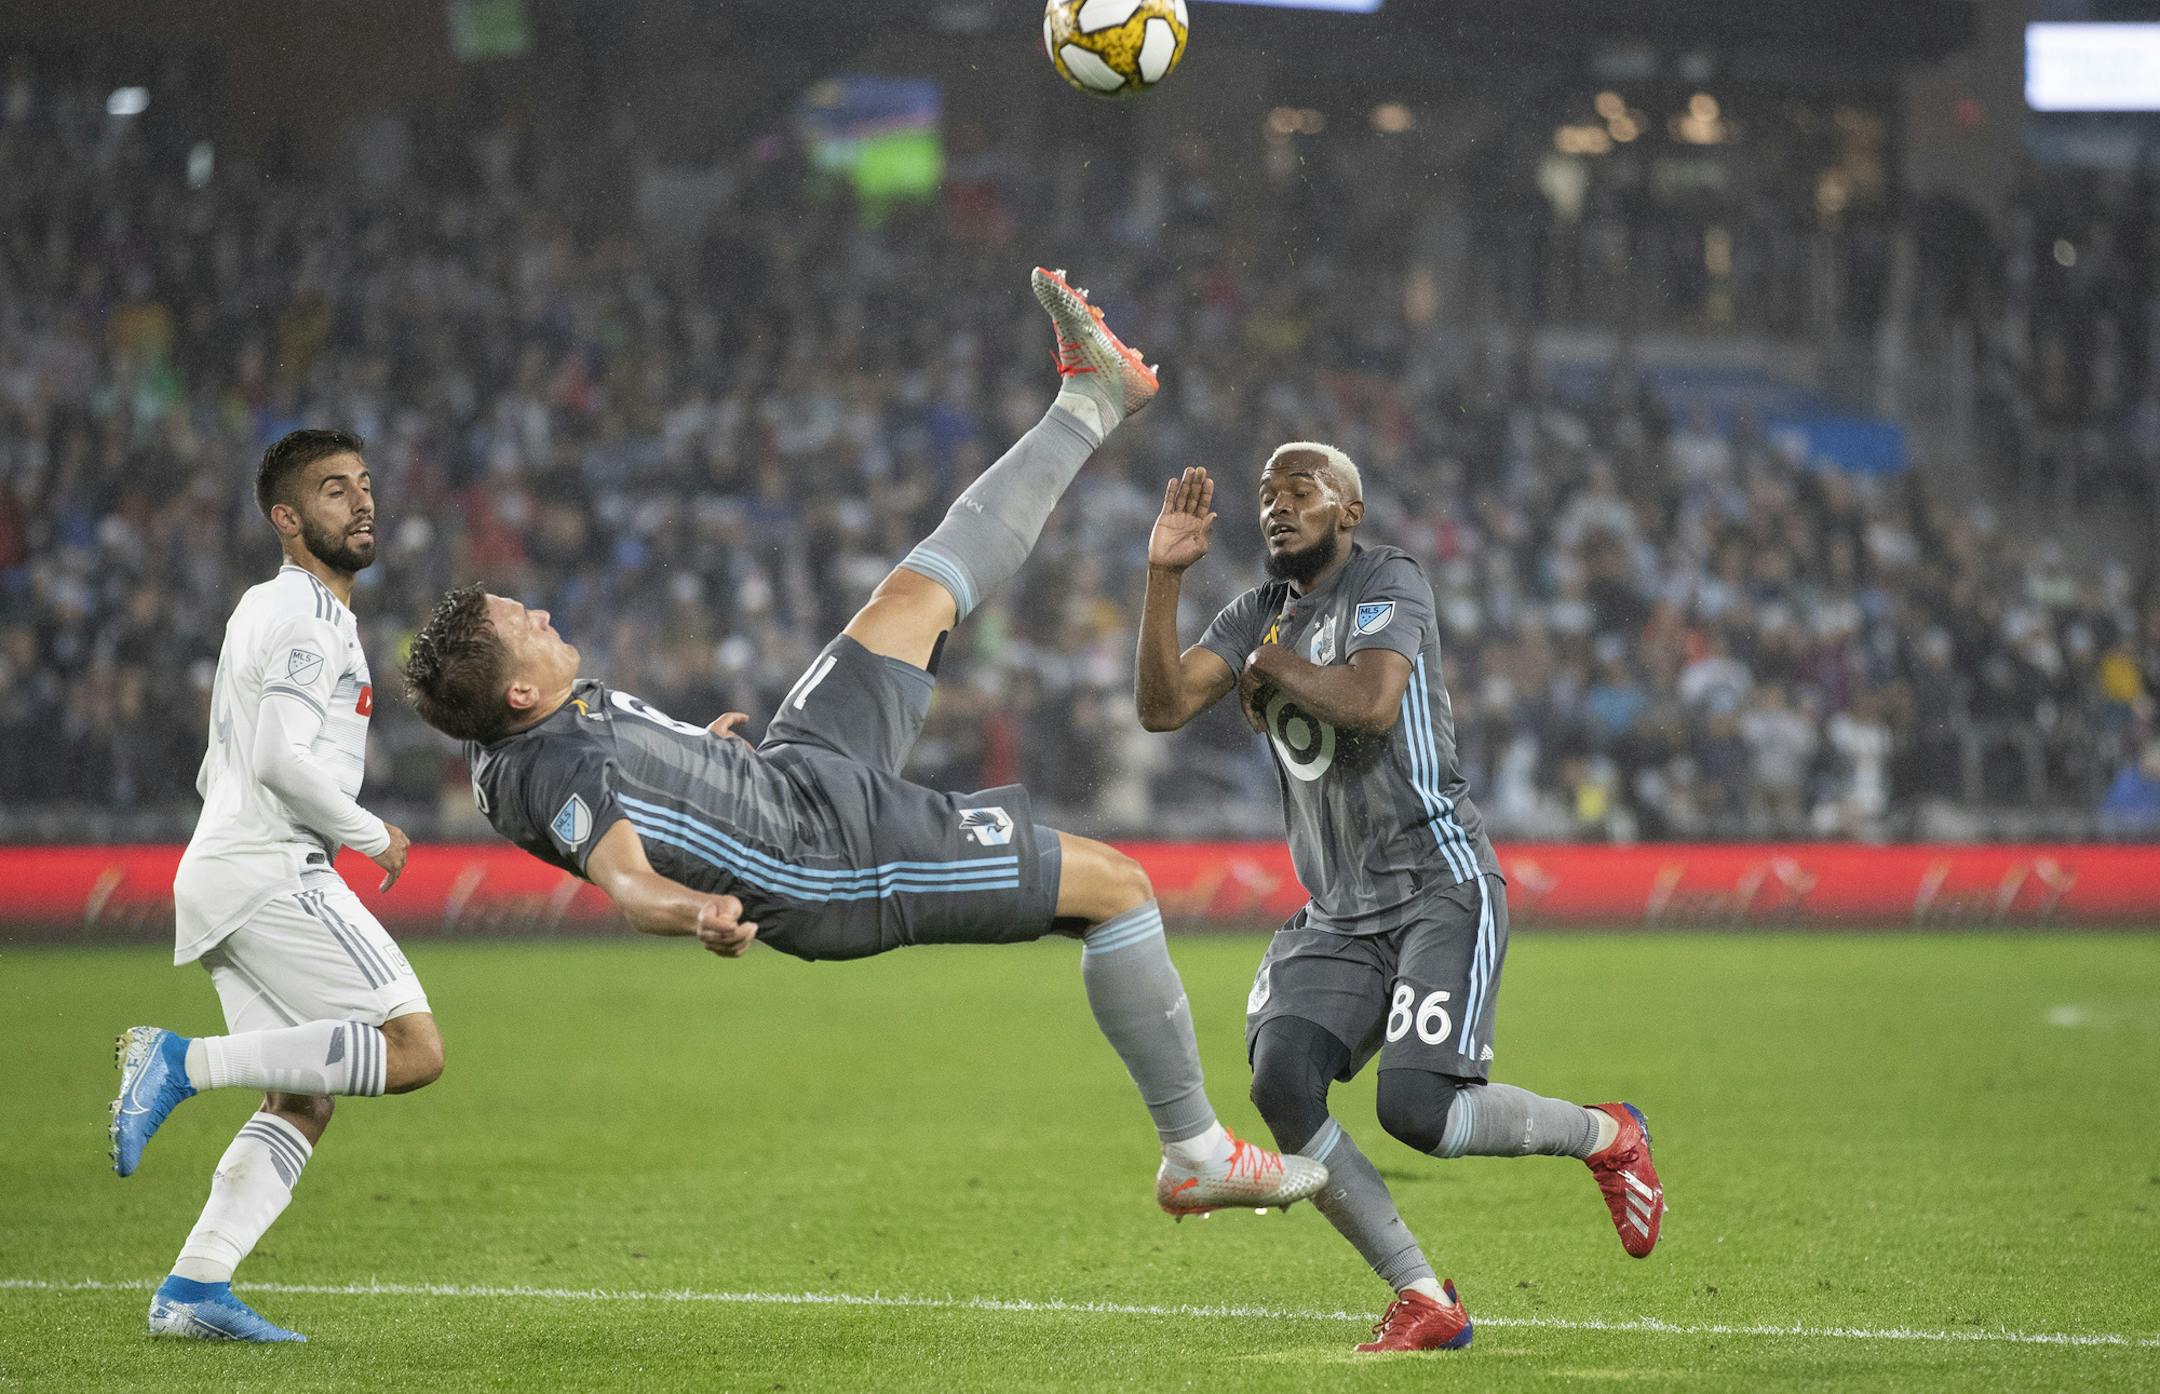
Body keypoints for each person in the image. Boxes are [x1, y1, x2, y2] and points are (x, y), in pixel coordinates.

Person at [399, 270, 1326, 1222]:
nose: (543, 613)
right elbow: (626, 877)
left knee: (913, 594)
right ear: (517, 690)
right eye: (525, 621)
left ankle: (1092, 398)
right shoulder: (542, 761)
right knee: (1119, 888)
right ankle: (1195, 1152)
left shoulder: (537, 724)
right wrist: (694, 912)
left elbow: (628, 779)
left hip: (788, 776)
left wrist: (698, 756)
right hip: (822, 859)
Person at [1132, 446, 1666, 1354]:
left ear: (1351, 510)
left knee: (1419, 1111)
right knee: (1280, 1079)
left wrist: (1272, 669)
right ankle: (1424, 1295)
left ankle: (1605, 1134)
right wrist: (1161, 581)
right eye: (1267, 496)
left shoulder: (1390, 580)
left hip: (1440, 885)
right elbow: (1161, 706)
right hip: (1340, 911)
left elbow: (1375, 702)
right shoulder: (1259, 613)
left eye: (1301, 492)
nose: (1277, 507)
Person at [109, 429, 446, 1343]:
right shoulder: (307, 614)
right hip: (272, 868)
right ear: (288, 520)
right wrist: (371, 833)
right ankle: (178, 1061)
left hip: (224, 868)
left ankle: (193, 1289)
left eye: (366, 485)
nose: (362, 502)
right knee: (413, 1048)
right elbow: (274, 758)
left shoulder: (270, 607)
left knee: (302, 1097)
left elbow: (221, 765)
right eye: (335, 492)